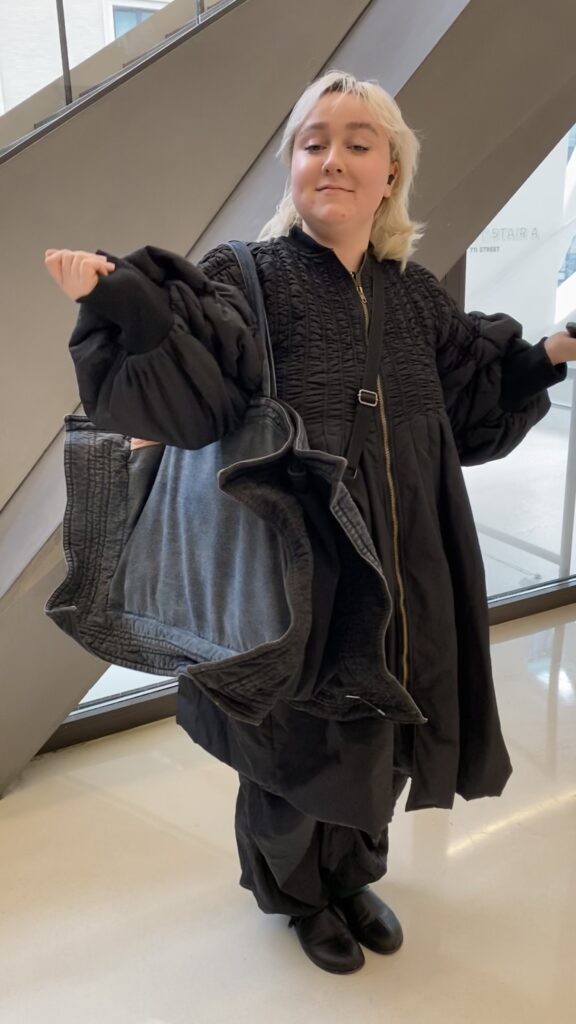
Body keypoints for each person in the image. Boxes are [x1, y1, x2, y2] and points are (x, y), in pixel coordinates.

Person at [44, 70, 575, 976]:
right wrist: (122, 301)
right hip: (298, 555)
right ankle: (298, 895)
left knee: (383, 725)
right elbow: (199, 389)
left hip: (407, 546)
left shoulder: (412, 293)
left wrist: (554, 352)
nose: (333, 158)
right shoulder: (242, 277)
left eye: (358, 143)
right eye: (313, 141)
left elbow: (468, 404)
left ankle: (352, 873)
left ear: (391, 172)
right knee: (295, 737)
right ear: (292, 165)